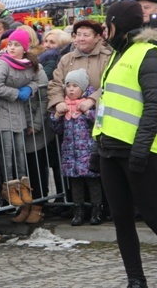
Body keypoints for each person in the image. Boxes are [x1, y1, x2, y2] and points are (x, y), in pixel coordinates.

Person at [91, 0, 157, 288]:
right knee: (121, 220)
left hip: (138, 152)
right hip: (110, 150)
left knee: (154, 218)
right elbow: (106, 105)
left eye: (106, 25)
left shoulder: (149, 53)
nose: (103, 31)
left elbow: (153, 107)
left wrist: (140, 150)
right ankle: (136, 279)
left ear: (116, 25)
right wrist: (96, 147)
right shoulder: (117, 55)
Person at [0, 29, 41, 206]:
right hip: (2, 112)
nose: (11, 48)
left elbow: (35, 80)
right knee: (7, 151)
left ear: (24, 49)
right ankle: (9, 187)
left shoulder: (29, 63)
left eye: (16, 45)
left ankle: (23, 185)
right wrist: (16, 93)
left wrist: (30, 89)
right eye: (10, 44)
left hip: (18, 113)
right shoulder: (2, 63)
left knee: (20, 151)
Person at [50, 68, 102, 226]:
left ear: (84, 88)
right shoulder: (64, 106)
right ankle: (78, 211)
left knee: (93, 182)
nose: (71, 89)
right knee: (76, 184)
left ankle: (97, 210)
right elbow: (57, 129)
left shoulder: (89, 105)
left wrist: (87, 113)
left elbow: (99, 122)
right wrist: (57, 116)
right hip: (70, 153)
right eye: (68, 85)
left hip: (87, 151)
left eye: (75, 86)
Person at [48, 20, 112, 115]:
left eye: (86, 35)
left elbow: (111, 84)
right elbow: (56, 83)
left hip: (100, 114)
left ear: (97, 37)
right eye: (78, 34)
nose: (81, 39)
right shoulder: (66, 59)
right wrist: (59, 102)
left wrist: (92, 99)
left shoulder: (108, 58)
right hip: (71, 118)